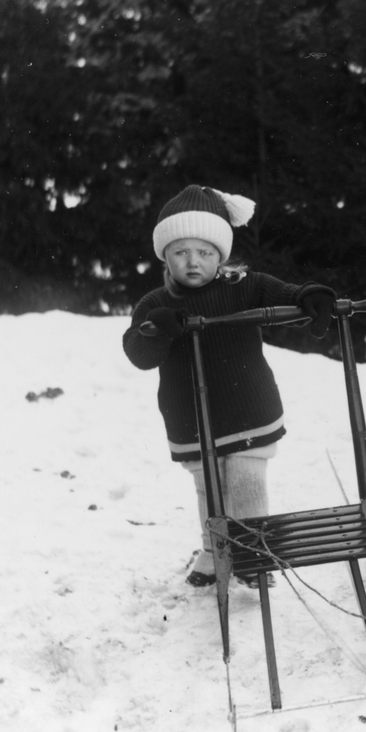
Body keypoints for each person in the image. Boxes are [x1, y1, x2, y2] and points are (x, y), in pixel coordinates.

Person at [123, 185, 335, 588]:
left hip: (247, 407)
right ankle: (214, 549)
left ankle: (254, 552)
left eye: (204, 252)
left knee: (245, 482)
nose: (192, 262)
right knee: (210, 487)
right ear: (165, 255)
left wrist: (309, 295)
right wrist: (158, 329)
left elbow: (285, 296)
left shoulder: (244, 286)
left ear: (220, 254)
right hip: (191, 416)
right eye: (181, 252)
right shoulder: (155, 303)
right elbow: (138, 352)